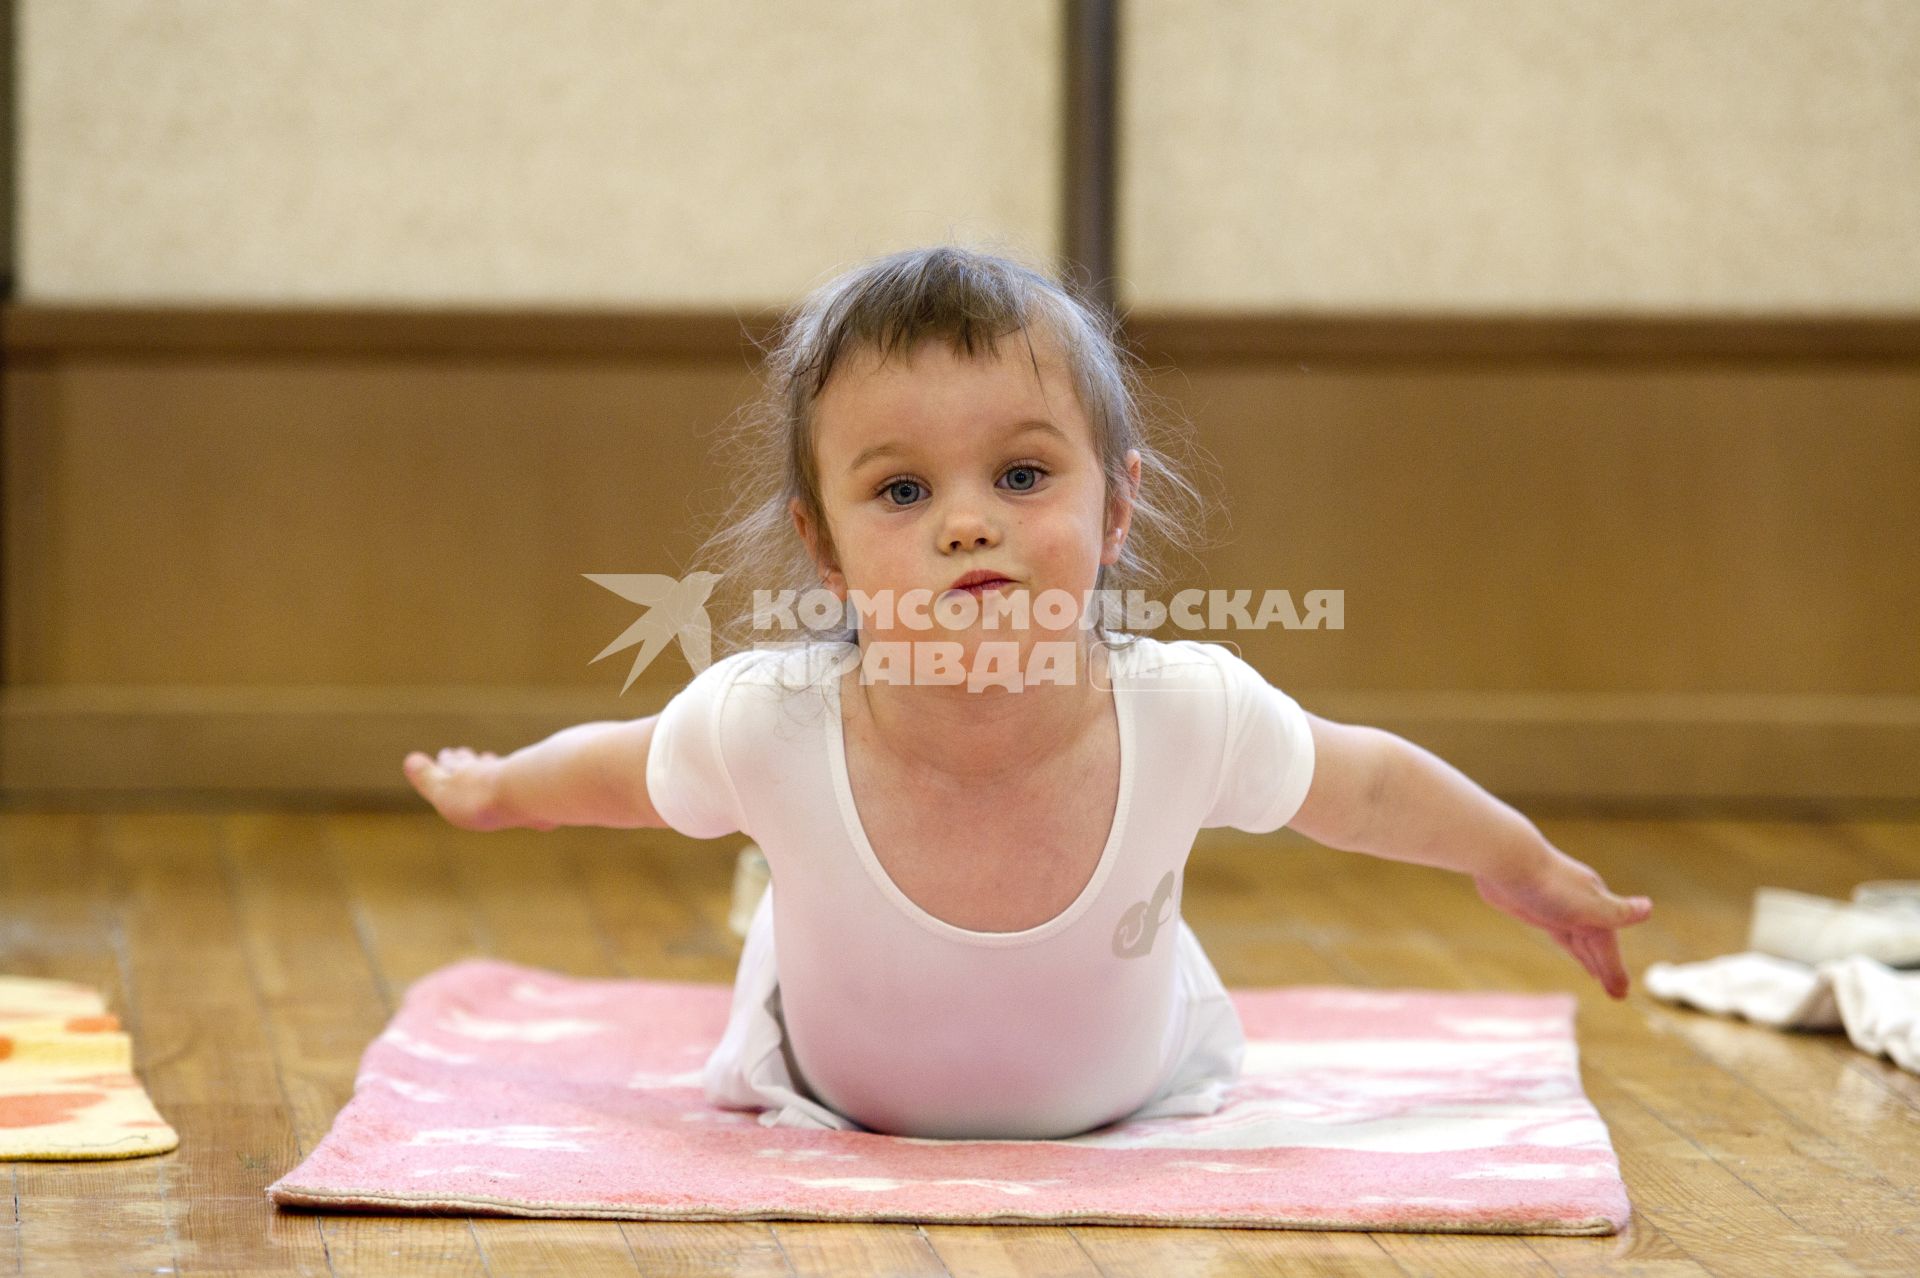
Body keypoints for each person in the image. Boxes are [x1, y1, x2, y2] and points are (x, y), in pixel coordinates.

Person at [403, 245, 1653, 1141]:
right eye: (902, 492)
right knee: (781, 899)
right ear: (824, 546)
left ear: (1114, 508)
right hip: (831, 1087)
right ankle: (783, 903)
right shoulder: (768, 721)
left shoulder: (1187, 710)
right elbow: (622, 768)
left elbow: (1369, 784)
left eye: (1019, 475)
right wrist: (501, 790)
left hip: (1137, 1080)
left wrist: (1521, 860)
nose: (964, 526)